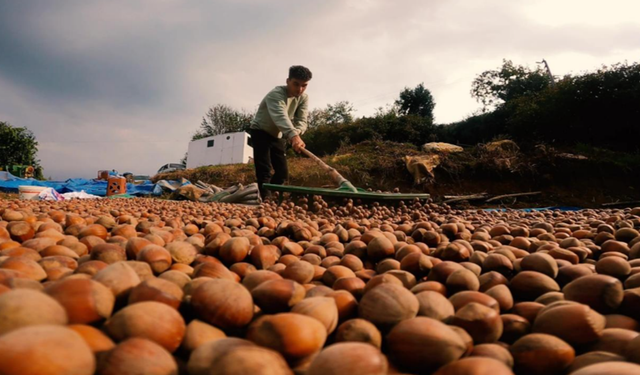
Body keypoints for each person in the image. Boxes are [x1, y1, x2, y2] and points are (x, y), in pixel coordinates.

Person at [249, 65, 311, 199]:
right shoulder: (275, 95)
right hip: (260, 131)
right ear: (288, 81)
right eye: (296, 84)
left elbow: (302, 120)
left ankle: (274, 197)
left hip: (278, 135)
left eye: (304, 85)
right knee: (264, 169)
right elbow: (280, 116)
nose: (300, 89)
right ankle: (266, 200)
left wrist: (297, 134)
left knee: (282, 173)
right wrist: (293, 135)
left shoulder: (303, 98)